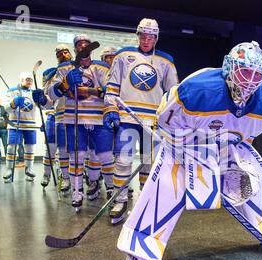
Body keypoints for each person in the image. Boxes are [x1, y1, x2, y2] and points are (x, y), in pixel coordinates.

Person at [116, 42, 262, 260]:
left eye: (257, 73)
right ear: (229, 67)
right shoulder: (196, 89)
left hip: (226, 144)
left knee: (255, 173)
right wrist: (184, 151)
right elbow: (164, 122)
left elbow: (247, 137)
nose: (250, 80)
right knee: (167, 182)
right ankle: (142, 247)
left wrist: (233, 165)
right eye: (245, 71)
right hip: (185, 141)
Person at [104, 18, 178, 224]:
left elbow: (173, 93)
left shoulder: (166, 61)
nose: (146, 40)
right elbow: (112, 86)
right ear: (137, 35)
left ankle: (145, 199)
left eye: (151, 36)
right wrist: (110, 109)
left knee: (149, 162)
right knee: (123, 160)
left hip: (153, 121)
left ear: (156, 38)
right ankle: (119, 200)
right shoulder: (123, 55)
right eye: (143, 36)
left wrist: (171, 119)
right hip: (128, 117)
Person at [48, 34, 115, 211]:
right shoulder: (65, 68)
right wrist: (65, 84)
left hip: (98, 119)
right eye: (79, 45)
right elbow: (52, 94)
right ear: (75, 48)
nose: (83, 47)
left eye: (86, 44)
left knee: (105, 156)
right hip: (74, 119)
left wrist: (90, 90)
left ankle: (110, 188)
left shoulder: (101, 67)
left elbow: (111, 90)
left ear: (91, 48)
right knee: (76, 157)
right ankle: (77, 192)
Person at [38, 44, 73, 193]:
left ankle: (72, 178)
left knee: (79, 151)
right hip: (57, 115)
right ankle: (47, 174)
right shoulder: (52, 74)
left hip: (78, 115)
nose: (63, 55)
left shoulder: (80, 69)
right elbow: (48, 101)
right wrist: (41, 99)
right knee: (53, 147)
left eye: (66, 52)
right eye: (59, 54)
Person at [3, 72, 38, 182]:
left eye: (31, 80)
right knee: (11, 147)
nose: (29, 81)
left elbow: (44, 106)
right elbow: (6, 108)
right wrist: (14, 102)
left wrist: (42, 99)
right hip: (15, 124)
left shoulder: (34, 93)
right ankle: (9, 169)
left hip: (30, 125)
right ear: (22, 79)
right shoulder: (13, 91)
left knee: (30, 148)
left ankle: (29, 169)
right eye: (27, 79)